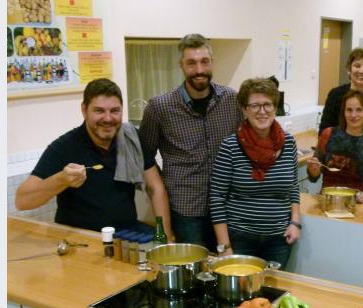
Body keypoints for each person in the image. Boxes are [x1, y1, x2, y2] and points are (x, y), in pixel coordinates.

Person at [15, 78, 173, 237]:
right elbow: (22, 201)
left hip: (127, 234)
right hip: (80, 239)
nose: (108, 118)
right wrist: (61, 179)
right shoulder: (64, 147)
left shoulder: (132, 138)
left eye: (115, 110)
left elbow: (155, 187)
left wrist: (165, 235)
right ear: (84, 110)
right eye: (99, 111)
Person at [139, 33, 244, 249]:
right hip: (186, 210)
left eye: (205, 61)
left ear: (212, 62)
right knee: (193, 271)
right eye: (191, 63)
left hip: (228, 206)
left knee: (228, 266)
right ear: (181, 65)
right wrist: (163, 189)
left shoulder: (232, 100)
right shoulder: (160, 108)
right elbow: (144, 157)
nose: (199, 70)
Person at [209, 78, 301, 268]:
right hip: (240, 238)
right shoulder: (231, 146)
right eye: (255, 105)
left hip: (279, 239)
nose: (262, 111)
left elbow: (293, 186)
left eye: (267, 104)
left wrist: (295, 222)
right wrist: (225, 247)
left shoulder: (289, 143)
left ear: (275, 107)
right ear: (244, 109)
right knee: (243, 294)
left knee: (271, 292)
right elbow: (217, 197)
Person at [319, 48, 363, 176]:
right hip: (338, 169)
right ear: (349, 69)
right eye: (357, 66)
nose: (361, 71)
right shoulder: (336, 95)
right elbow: (325, 130)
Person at [306, 90, 363, 201]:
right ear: (343, 112)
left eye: (359, 110)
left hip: (357, 204)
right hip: (328, 201)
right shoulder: (328, 135)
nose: (353, 115)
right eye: (349, 110)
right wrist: (313, 170)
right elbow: (313, 177)